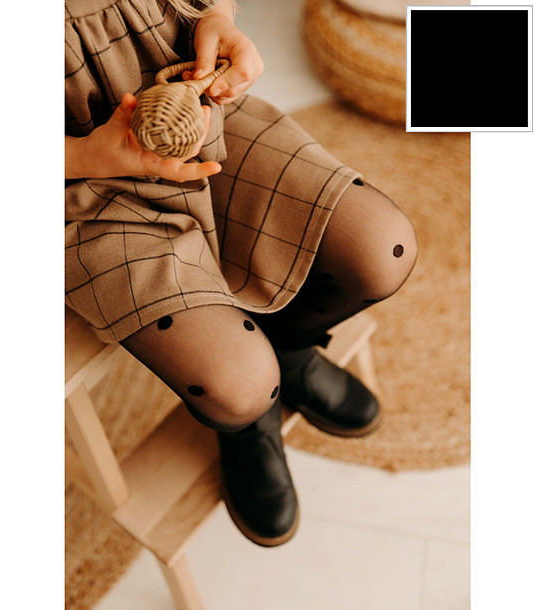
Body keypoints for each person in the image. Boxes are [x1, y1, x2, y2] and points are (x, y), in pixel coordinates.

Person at [65, 0, 418, 547]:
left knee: (380, 249)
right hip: (79, 188)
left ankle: (289, 349)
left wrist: (216, 18)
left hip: (201, 121)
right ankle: (254, 417)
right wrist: (87, 157)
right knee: (239, 387)